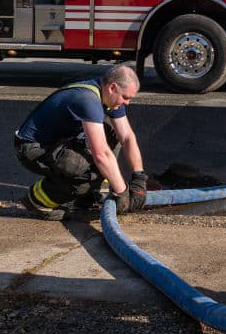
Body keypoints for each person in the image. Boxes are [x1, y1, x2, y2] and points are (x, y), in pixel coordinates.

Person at [14, 64, 148, 221]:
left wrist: (139, 177)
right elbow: (101, 154)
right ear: (112, 87)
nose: (127, 103)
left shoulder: (108, 95)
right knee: (85, 173)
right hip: (33, 148)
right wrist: (122, 192)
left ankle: (91, 193)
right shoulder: (87, 100)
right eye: (126, 97)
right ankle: (38, 200)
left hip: (60, 141)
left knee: (111, 132)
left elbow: (127, 137)